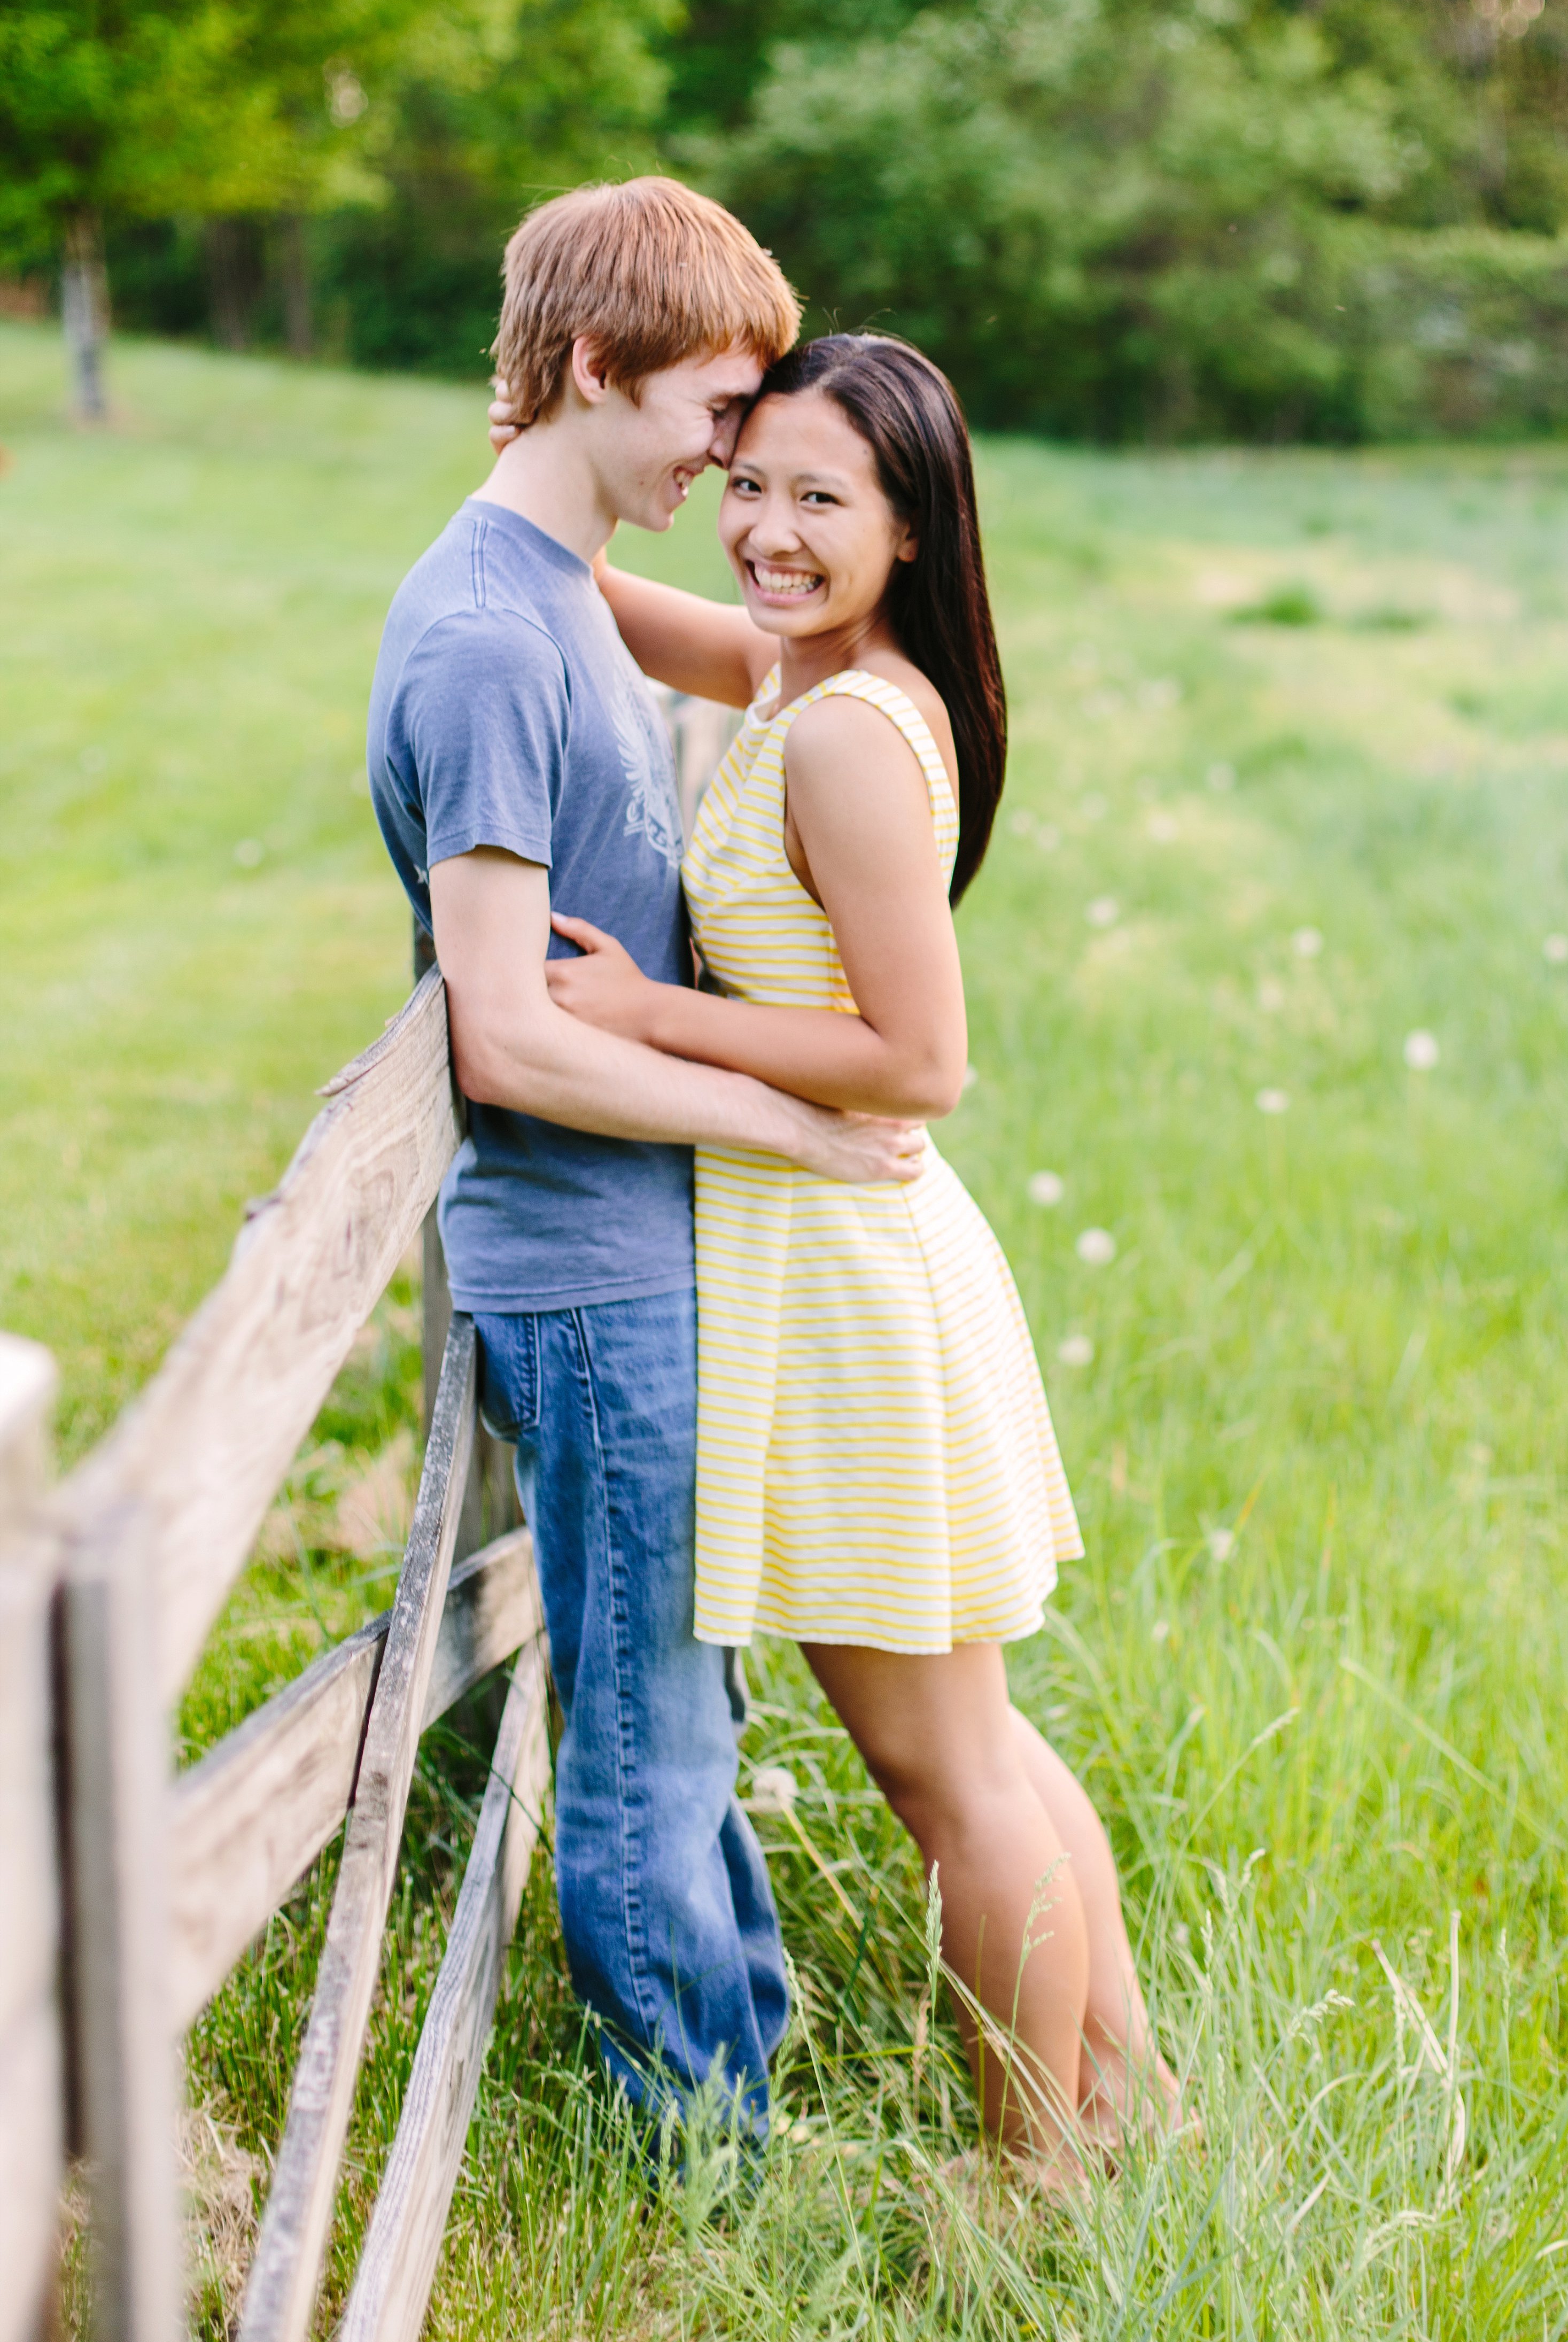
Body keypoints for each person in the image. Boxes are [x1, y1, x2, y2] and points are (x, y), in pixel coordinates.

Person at [541, 331, 1177, 2173]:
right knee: (979, 1737)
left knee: (943, 1770)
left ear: (911, 526)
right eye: (750, 482)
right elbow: (611, 597)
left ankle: (1030, 2175)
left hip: (839, 1276)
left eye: (822, 499)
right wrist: (547, 459)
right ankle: (1120, 2100)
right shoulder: (809, 674)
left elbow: (921, 1057)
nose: (766, 531)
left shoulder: (837, 732)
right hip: (837, 1256)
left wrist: (656, 1014)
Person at [367, 181, 926, 2143]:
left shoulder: (555, 587)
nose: (732, 457)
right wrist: (790, 1114)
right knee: (649, 1733)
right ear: (594, 369)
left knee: (687, 1696)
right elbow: (507, 1028)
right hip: (589, 1263)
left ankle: (732, 2071)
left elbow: (795, 655)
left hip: (640, 1242)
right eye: (710, 409)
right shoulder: (488, 645)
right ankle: (696, 2139)